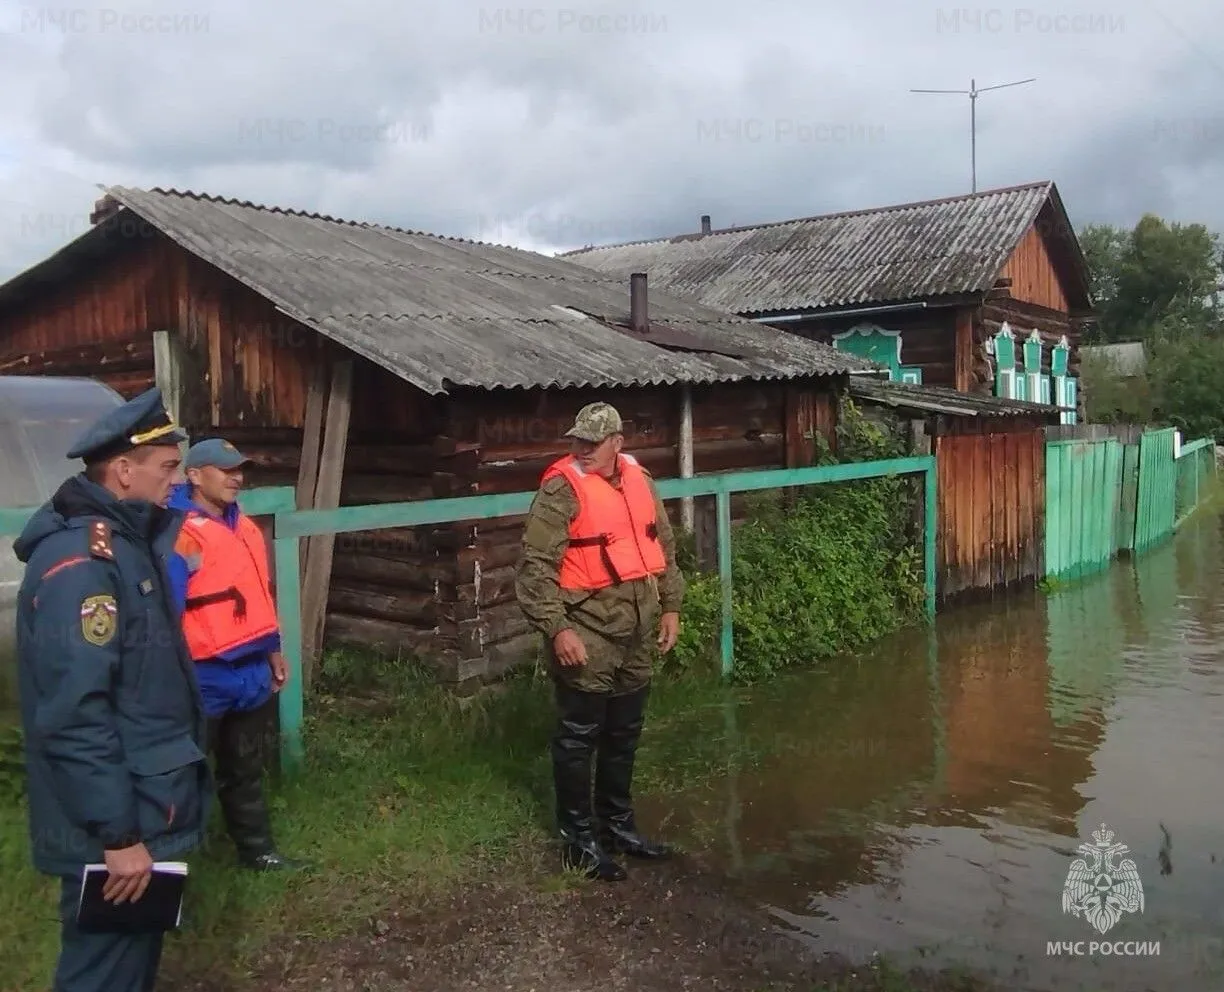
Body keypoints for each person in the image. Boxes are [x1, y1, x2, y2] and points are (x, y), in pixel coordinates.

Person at [13, 386, 211, 992]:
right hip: (115, 826)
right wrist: (119, 837)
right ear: (124, 471)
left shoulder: (126, 546)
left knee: (129, 965)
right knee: (102, 973)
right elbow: (75, 712)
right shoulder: (84, 565)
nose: (176, 484)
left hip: (142, 804)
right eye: (168, 469)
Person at [514, 401, 684, 882]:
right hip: (586, 632)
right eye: (578, 441)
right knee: (579, 737)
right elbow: (533, 572)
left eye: (593, 442)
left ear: (617, 443)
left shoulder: (640, 481)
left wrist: (671, 606)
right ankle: (578, 842)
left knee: (624, 733)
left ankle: (617, 828)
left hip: (637, 630)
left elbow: (663, 548)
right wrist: (558, 629)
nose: (582, 449)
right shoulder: (560, 491)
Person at [164, 437, 304, 872]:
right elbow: (166, 610)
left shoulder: (245, 527)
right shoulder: (178, 533)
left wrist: (274, 649)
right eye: (226, 470)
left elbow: (259, 595)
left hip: (250, 672)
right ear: (194, 475)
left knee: (244, 770)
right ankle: (175, 868)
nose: (237, 478)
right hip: (202, 675)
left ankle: (257, 852)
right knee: (183, 775)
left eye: (240, 469)